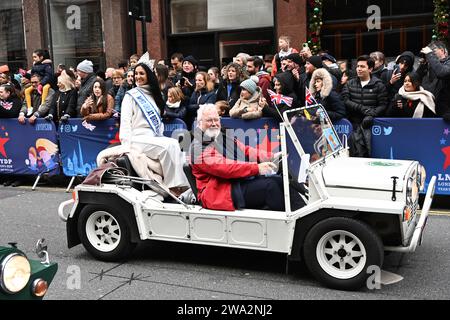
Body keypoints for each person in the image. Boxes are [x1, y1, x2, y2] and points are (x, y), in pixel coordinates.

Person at [189, 104, 305, 211]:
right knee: (270, 186)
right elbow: (225, 168)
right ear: (199, 123)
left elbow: (245, 150)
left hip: (235, 182)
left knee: (281, 180)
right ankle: (288, 225)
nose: (214, 123)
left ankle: (303, 214)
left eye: (216, 119)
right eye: (209, 120)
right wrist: (257, 168)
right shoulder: (198, 148)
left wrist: (271, 156)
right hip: (219, 191)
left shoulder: (221, 135)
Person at [120, 57, 188, 194]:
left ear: (149, 76)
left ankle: (184, 185)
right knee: (168, 146)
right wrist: (126, 146)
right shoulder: (130, 96)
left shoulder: (153, 95)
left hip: (152, 137)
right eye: (136, 74)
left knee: (175, 144)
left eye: (141, 74)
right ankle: (173, 187)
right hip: (136, 138)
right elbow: (125, 123)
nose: (138, 77)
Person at [341, 55, 388, 157]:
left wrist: (371, 114)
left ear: (370, 69)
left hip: (371, 126)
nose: (359, 69)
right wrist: (362, 108)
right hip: (352, 126)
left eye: (362, 66)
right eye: (358, 66)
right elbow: (345, 100)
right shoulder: (349, 84)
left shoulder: (379, 85)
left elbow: (383, 105)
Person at [418, 41, 450, 121]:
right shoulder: (432, 65)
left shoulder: (447, 63)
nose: (430, 54)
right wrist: (422, 66)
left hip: (447, 110)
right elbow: (414, 80)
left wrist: (430, 55)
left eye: (433, 51)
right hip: (432, 108)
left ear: (442, 50)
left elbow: (442, 73)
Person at [24, 49, 55, 113]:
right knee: (27, 90)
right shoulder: (34, 66)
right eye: (33, 57)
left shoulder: (47, 65)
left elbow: (48, 76)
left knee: (45, 88)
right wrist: (25, 74)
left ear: (41, 57)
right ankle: (29, 108)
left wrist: (41, 83)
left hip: (46, 83)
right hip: (38, 84)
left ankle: (42, 104)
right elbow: (32, 76)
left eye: (35, 57)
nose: (33, 59)